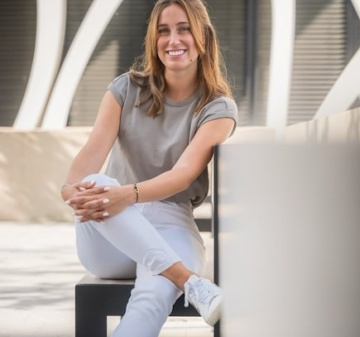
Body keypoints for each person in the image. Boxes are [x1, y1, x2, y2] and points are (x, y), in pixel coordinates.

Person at [60, 0, 237, 335]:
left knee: (154, 294)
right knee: (95, 180)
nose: (174, 40)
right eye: (163, 31)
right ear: (153, 41)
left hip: (171, 221)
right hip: (109, 228)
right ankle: (190, 281)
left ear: (203, 37)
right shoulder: (126, 89)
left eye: (184, 29)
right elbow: (89, 156)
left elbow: (183, 174)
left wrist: (128, 194)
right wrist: (69, 191)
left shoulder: (218, 108)